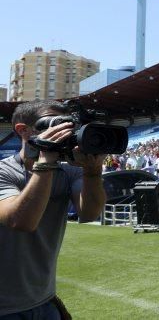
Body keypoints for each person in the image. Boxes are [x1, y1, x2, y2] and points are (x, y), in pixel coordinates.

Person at [0, 101, 107, 318]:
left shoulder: (68, 172)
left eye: (68, 125)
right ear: (23, 130)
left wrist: (93, 172)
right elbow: (21, 222)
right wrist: (45, 161)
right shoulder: (4, 172)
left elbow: (89, 213)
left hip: (44, 300)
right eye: (53, 124)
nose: (63, 132)